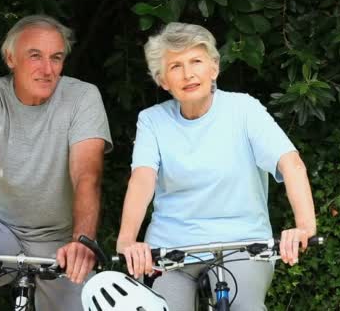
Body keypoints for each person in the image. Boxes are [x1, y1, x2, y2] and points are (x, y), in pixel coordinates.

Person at [116, 22, 316, 311]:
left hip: (244, 246)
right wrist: (127, 241)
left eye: (196, 61)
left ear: (214, 69)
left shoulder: (244, 110)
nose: (188, 74)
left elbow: (291, 165)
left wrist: (304, 227)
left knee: (244, 306)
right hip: (173, 250)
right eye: (175, 66)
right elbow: (142, 180)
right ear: (162, 80)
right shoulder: (152, 120)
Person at [0, 14, 112, 310]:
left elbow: (87, 175)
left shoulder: (83, 96)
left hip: (59, 238)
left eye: (56, 58)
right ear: (10, 58)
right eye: (35, 56)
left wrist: (83, 241)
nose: (47, 69)